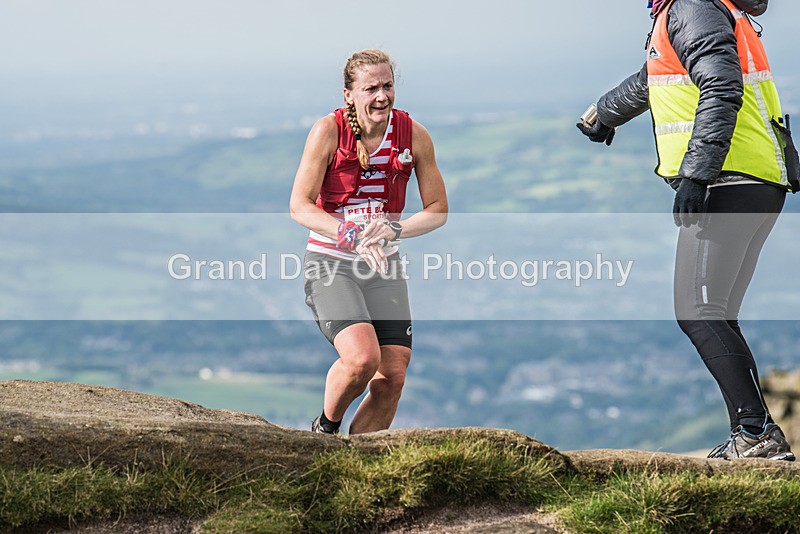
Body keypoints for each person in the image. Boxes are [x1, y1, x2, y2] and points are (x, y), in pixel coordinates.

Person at [578, 0, 799, 460]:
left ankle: (756, 434)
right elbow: (653, 78)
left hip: (728, 180)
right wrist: (604, 112)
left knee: (698, 311)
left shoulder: (692, 6)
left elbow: (721, 87)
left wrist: (697, 174)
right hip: (757, 180)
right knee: (716, 312)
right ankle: (754, 435)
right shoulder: (700, 10)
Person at [289, 49, 448, 435]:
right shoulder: (328, 132)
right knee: (361, 360)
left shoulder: (414, 135)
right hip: (331, 263)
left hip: (383, 265)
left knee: (392, 374)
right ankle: (325, 431)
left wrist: (395, 230)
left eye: (388, 86)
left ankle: (360, 463)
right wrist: (351, 234)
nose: (382, 96)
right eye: (371, 88)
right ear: (349, 95)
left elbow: (438, 208)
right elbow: (299, 205)